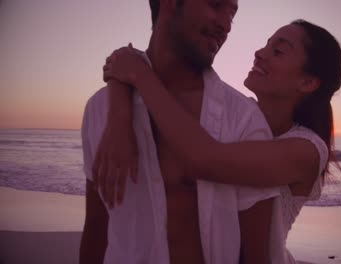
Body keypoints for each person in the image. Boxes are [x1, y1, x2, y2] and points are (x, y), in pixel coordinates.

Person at [97, 16, 341, 264]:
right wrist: (120, 112)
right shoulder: (239, 116)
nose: (259, 53)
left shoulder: (307, 150)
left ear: (307, 82)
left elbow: (202, 159)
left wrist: (141, 75)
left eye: (277, 51)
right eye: (266, 45)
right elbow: (126, 67)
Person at [80, 0, 280, 263]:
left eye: (232, 13)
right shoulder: (100, 109)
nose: (226, 25)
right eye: (216, 5)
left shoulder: (243, 119)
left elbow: (256, 256)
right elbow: (96, 225)